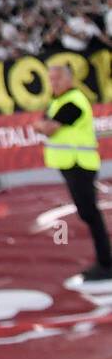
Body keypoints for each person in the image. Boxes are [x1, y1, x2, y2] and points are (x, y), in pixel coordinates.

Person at [36, 64, 111, 280]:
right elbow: (41, 124)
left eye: (58, 78)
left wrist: (43, 125)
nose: (53, 82)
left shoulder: (73, 101)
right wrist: (43, 125)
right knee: (88, 213)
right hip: (70, 164)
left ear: (69, 79)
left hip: (80, 164)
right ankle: (105, 260)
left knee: (90, 214)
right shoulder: (56, 102)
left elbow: (47, 128)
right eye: (51, 78)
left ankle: (106, 263)